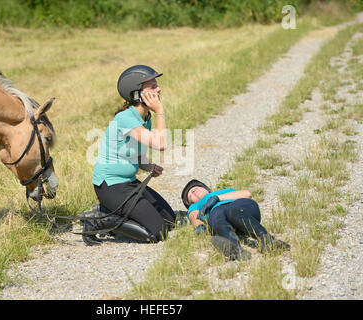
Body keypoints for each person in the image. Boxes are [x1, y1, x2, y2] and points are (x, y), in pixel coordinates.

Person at [82, 65, 176, 245]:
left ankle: (112, 210)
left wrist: (149, 167)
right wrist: (160, 112)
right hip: (111, 185)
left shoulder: (144, 118)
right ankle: (97, 220)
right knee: (157, 232)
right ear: (137, 94)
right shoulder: (125, 118)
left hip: (129, 183)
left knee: (169, 221)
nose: (159, 89)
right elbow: (161, 144)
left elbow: (136, 153)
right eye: (152, 86)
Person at [181, 179, 290, 260]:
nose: (194, 190)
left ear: (206, 188)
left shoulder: (225, 191)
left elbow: (247, 194)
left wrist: (217, 198)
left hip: (241, 207)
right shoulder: (195, 206)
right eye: (190, 194)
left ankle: (266, 240)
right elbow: (193, 216)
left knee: (231, 210)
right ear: (190, 203)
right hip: (217, 214)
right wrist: (199, 226)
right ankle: (234, 249)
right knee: (217, 218)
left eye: (196, 187)